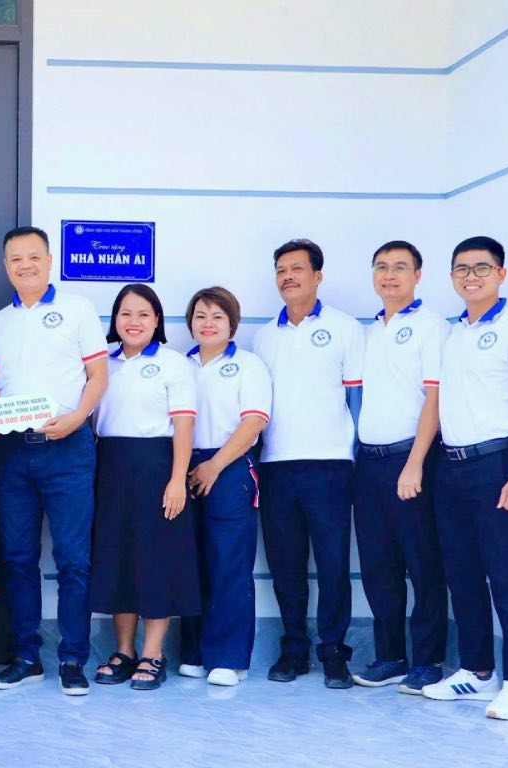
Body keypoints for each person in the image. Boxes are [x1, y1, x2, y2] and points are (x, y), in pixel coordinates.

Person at [422, 236, 508, 720]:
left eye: (481, 268)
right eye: (461, 269)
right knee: (462, 574)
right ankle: (477, 673)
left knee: (507, 575)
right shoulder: (452, 333)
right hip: (450, 467)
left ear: (501, 273)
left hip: (499, 464)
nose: (470, 276)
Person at [0, 226, 108, 696]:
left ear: (49, 260)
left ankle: (73, 658)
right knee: (17, 558)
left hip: (69, 448)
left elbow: (98, 375)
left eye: (33, 256)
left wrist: (78, 418)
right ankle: (26, 656)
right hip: (13, 451)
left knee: (75, 559)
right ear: (6, 266)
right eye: (15, 259)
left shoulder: (77, 310)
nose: (25, 265)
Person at [252, 238, 364, 689]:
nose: (288, 277)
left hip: (330, 464)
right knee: (286, 566)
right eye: (281, 270)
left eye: (297, 268)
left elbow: (357, 397)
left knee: (334, 564)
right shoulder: (263, 335)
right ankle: (294, 648)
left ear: (318, 275)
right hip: (277, 465)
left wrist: (353, 454)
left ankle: (334, 652)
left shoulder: (344, 328)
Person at [351, 241, 449, 694]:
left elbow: (435, 398)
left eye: (400, 268)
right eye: (382, 267)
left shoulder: (433, 327)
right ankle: (390, 657)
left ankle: (428, 662)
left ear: (418, 275)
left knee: (422, 565)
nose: (389, 275)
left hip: (413, 460)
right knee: (377, 566)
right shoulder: (366, 332)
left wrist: (414, 464)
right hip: (367, 464)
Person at [89, 284, 197, 691]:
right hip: (110, 468)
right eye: (126, 314)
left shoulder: (173, 364)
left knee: (157, 561)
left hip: (158, 468)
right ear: (115, 320)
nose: (134, 322)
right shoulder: (102, 364)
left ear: (157, 321)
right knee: (118, 559)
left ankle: (154, 653)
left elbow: (185, 425)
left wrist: (176, 480)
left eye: (143, 314)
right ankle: (124, 651)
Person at [177, 286, 271, 687]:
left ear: (232, 323)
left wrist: (214, 466)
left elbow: (254, 422)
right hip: (184, 465)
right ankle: (195, 652)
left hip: (229, 465)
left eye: (218, 316)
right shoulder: (179, 365)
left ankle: (229, 658)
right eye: (200, 315)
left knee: (229, 562)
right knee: (190, 561)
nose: (208, 323)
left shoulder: (249, 365)